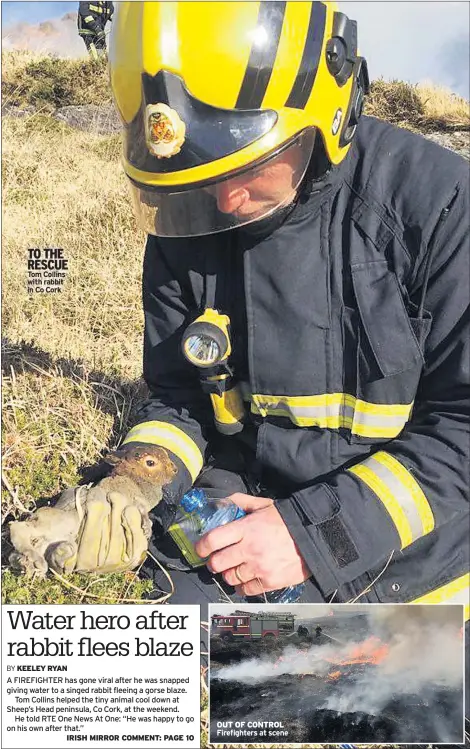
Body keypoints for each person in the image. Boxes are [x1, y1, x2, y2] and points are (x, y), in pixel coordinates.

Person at [79, 2, 467, 634]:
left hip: (417, 556)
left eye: (251, 161)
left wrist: (314, 537)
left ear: (327, 115)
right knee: (102, 694)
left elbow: (465, 429)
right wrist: (138, 479)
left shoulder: (440, 206)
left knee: (379, 707)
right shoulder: (189, 216)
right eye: (199, 174)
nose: (226, 199)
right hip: (241, 527)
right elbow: (180, 397)